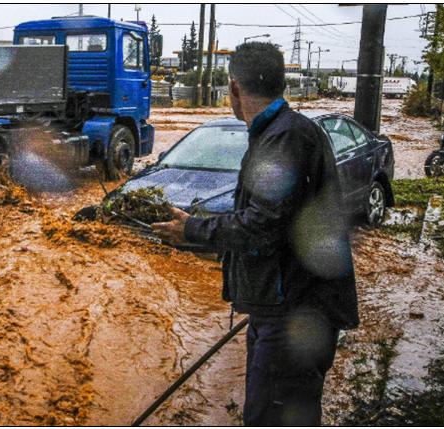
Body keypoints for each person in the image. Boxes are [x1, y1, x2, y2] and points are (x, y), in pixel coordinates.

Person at [151, 42, 359, 426]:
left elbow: (262, 225)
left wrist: (192, 229)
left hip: (294, 316)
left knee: (270, 418)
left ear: (234, 87)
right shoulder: (279, 133)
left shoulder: (285, 138)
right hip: (282, 307)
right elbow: (274, 223)